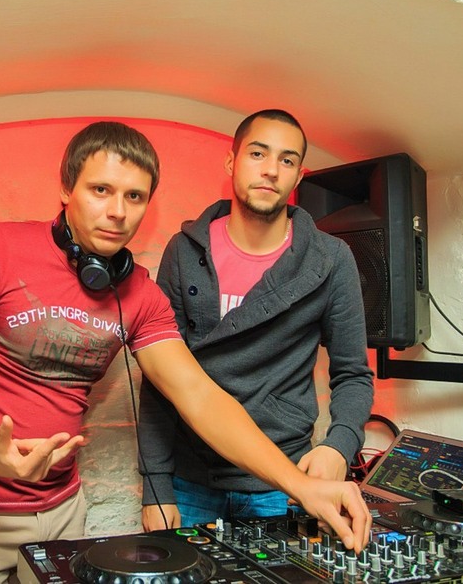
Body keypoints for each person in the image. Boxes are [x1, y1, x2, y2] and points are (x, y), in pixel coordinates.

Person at [0, 120, 371, 584]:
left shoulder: (139, 295)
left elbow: (198, 396)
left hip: (62, 512)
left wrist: (301, 485)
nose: (117, 211)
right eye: (101, 190)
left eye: (134, 196)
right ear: (66, 188)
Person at [138, 110, 375, 532]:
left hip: (284, 479)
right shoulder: (184, 251)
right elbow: (161, 375)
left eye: (286, 160)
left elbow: (353, 373)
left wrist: (339, 446)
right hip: (193, 479)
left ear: (298, 175)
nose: (271, 170)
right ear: (232, 162)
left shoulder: (330, 259)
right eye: (258, 154)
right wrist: (157, 485)